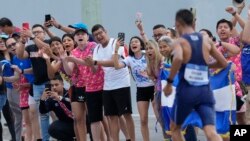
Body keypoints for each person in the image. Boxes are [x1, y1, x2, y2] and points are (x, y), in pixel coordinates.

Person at [163, 9, 227, 141]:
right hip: (205, 92)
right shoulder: (207, 41)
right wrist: (204, 66)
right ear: (193, 22)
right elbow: (223, 63)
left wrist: (169, 83)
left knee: (174, 128)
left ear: (178, 24)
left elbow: (178, 58)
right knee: (211, 131)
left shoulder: (180, 41)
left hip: (186, 92)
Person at [88, 24, 135, 141]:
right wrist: (89, 62)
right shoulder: (97, 49)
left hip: (122, 84)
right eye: (95, 35)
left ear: (106, 31)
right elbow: (94, 69)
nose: (99, 36)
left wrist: (95, 62)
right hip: (108, 86)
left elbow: (115, 63)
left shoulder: (117, 43)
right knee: (111, 117)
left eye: (100, 33)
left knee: (126, 115)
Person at [114, 36, 154, 141]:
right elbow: (117, 66)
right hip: (141, 90)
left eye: (136, 42)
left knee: (160, 117)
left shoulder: (147, 54)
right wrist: (116, 50)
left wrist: (142, 31)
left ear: (141, 44)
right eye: (131, 42)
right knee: (143, 120)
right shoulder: (129, 59)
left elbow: (153, 48)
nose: (133, 44)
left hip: (154, 88)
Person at [17, 24, 50, 141]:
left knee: (55, 111)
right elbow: (20, 55)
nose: (36, 34)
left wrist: (31, 36)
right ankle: (42, 138)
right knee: (41, 113)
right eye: (34, 32)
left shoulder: (49, 43)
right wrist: (21, 41)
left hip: (50, 83)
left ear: (44, 33)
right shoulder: (30, 48)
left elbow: (46, 48)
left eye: (38, 32)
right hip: (37, 85)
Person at [39, 74, 75, 141]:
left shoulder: (70, 92)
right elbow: (43, 111)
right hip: (67, 124)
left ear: (62, 84)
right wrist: (42, 100)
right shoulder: (51, 99)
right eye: (52, 85)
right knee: (53, 129)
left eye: (56, 84)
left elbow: (71, 103)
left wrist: (60, 98)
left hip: (80, 121)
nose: (54, 87)